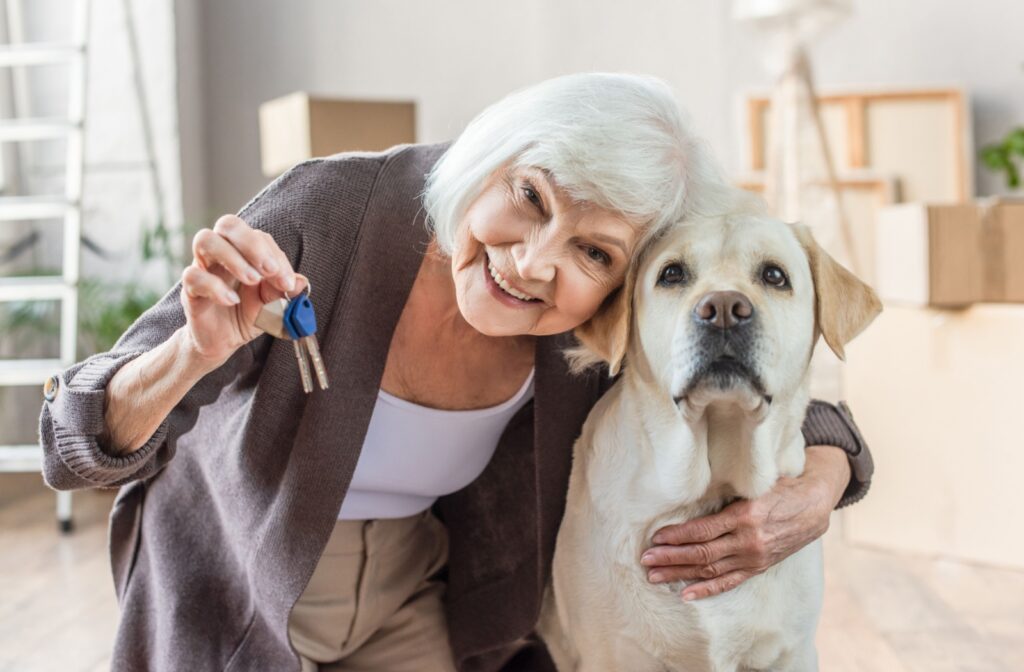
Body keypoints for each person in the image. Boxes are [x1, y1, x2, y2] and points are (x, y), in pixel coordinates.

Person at [39, 73, 872, 671]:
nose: (535, 264)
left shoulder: (590, 323)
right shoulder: (328, 214)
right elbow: (68, 441)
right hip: (237, 595)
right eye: (530, 196)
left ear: (625, 286)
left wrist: (825, 480)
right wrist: (194, 354)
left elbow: (768, 375)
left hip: (412, 594)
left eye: (593, 250)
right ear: (493, 155)